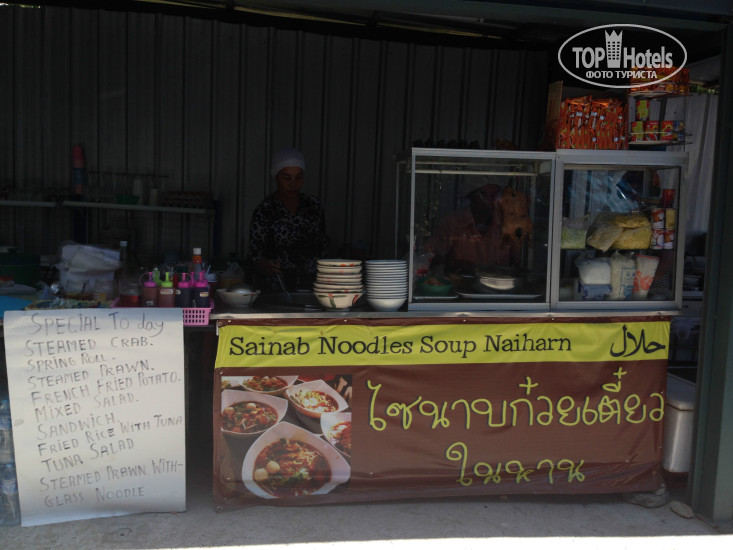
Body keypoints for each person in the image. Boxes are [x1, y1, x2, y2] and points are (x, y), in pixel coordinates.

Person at [247, 147, 328, 291]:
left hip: (310, 286)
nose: (293, 184)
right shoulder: (266, 210)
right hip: (277, 288)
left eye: (298, 177)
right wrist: (264, 265)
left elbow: (323, 247)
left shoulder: (313, 206)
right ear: (276, 176)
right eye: (286, 178)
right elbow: (254, 256)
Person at [428, 183, 527, 273]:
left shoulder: (509, 225)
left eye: (493, 195)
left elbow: (520, 262)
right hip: (459, 285)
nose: (489, 201)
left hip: (500, 286)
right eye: (483, 195)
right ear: (472, 197)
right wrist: (457, 265)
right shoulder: (451, 223)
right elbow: (433, 259)